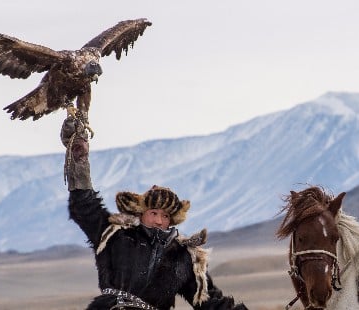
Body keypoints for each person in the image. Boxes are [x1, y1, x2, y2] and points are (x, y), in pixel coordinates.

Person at [61, 109, 247, 310]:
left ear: (172, 220)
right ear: (141, 214)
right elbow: (84, 206)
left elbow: (209, 301)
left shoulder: (184, 257)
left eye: (165, 216)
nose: (159, 221)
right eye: (154, 213)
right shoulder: (116, 235)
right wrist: (79, 157)